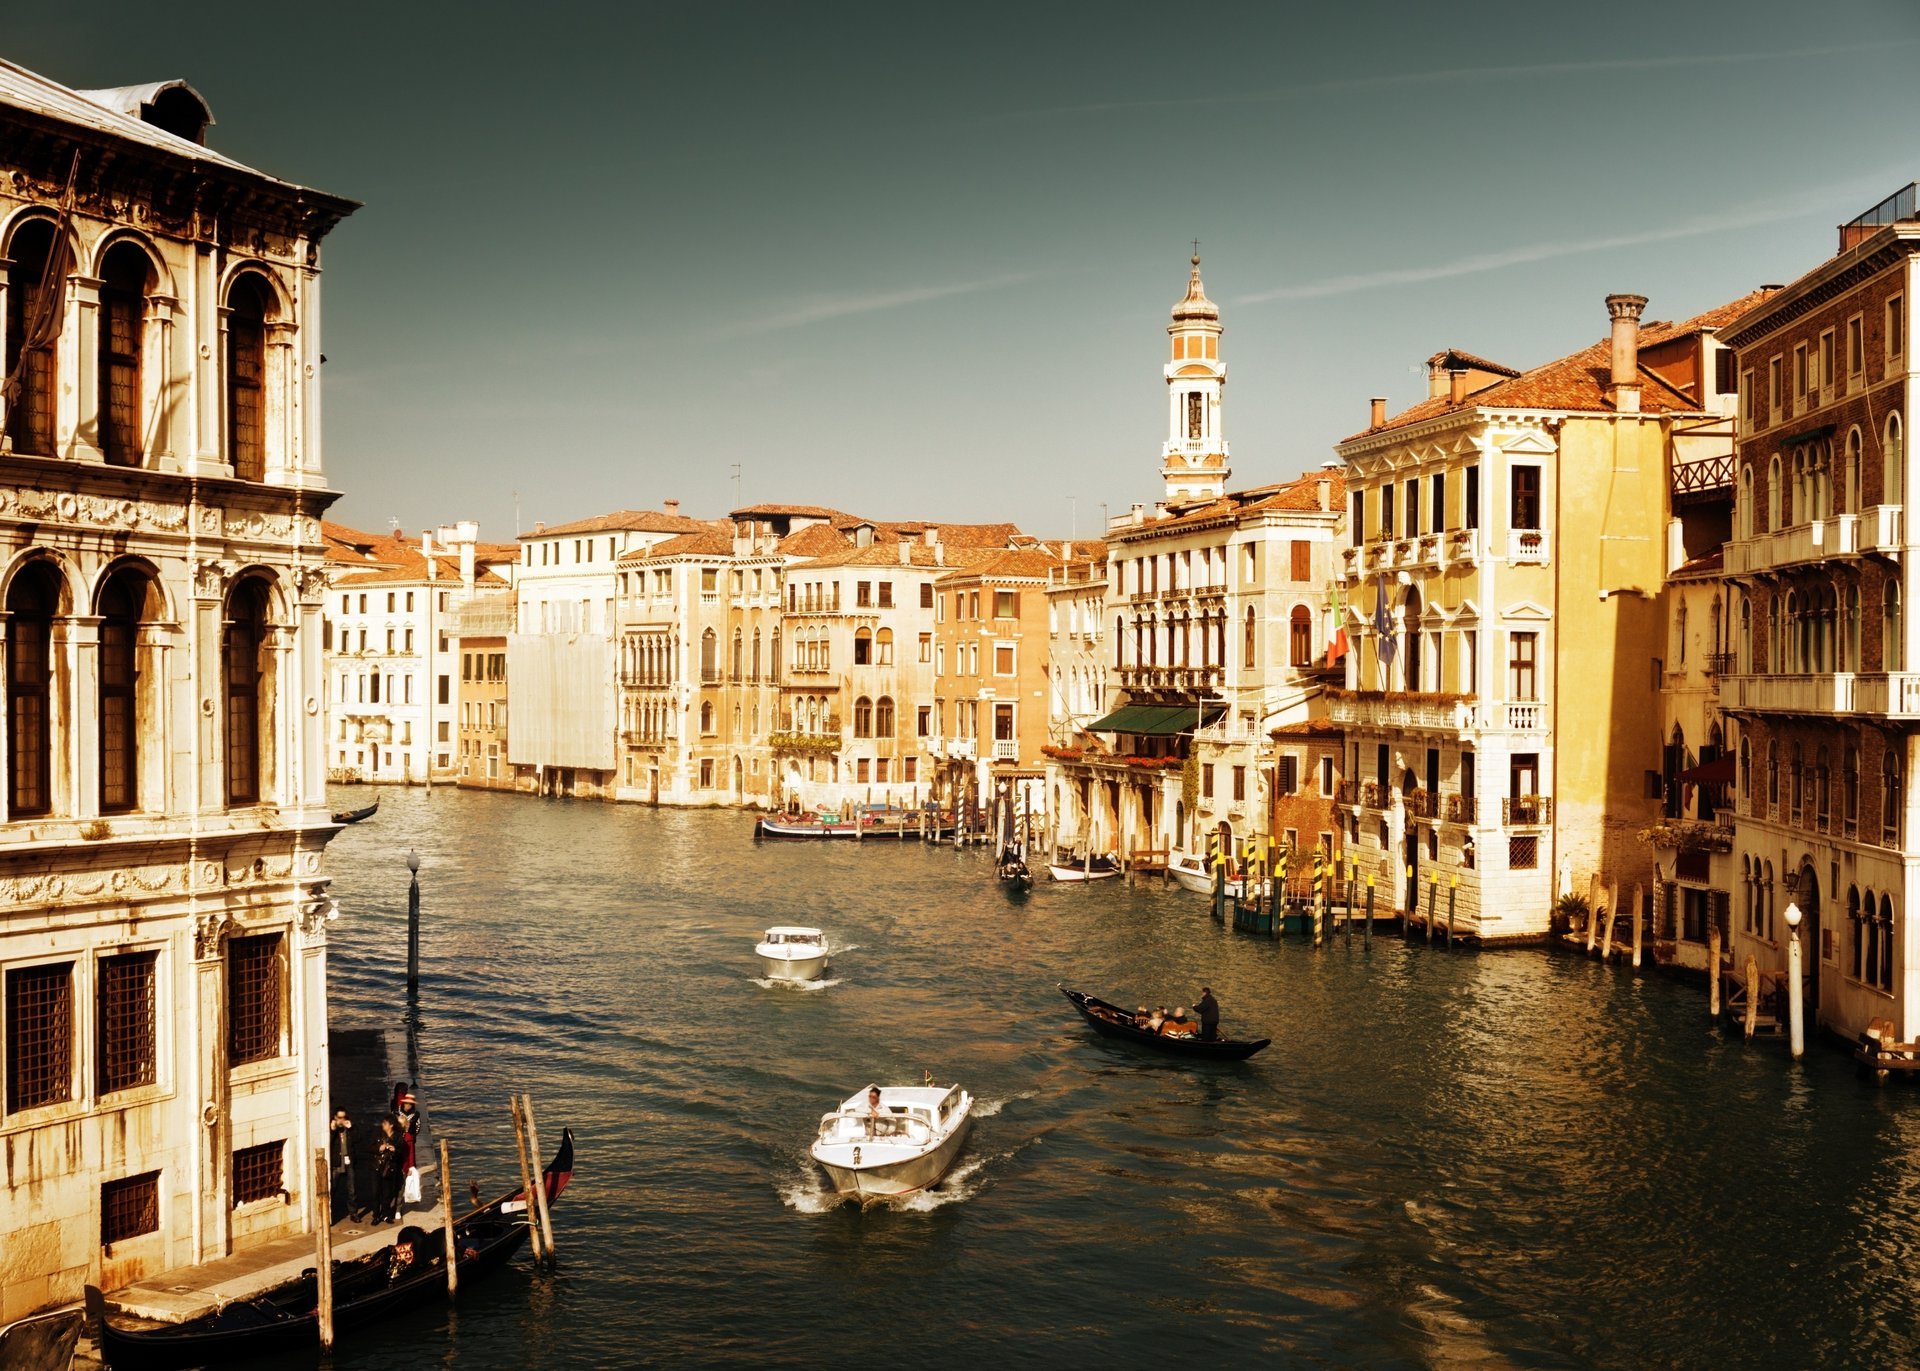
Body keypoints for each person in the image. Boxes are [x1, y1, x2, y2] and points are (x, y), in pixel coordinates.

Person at [370, 1116, 403, 1225]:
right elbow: (369, 1147)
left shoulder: (398, 1137)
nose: (383, 1125)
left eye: (385, 1123)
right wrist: (379, 1149)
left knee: (387, 1193)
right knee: (375, 1192)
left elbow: (402, 1153)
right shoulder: (378, 1134)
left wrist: (395, 1150)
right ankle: (376, 1215)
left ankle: (386, 1214)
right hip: (377, 1167)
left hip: (389, 1168)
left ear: (391, 1125)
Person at [329, 1109, 359, 1220]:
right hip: (337, 1162)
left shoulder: (349, 1127)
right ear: (335, 1117)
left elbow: (358, 1139)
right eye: (339, 1118)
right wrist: (332, 1130)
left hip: (348, 1161)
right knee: (332, 1188)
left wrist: (351, 1128)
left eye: (344, 1117)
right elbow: (328, 1143)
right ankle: (329, 1212)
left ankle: (353, 1213)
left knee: (352, 1189)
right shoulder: (331, 1128)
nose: (342, 1120)